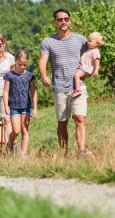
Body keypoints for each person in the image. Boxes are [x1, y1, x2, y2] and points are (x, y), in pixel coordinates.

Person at [39, 8, 91, 156]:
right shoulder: (48, 42)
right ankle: (64, 154)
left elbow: (92, 54)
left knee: (79, 118)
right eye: (60, 19)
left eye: (66, 19)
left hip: (78, 85)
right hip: (59, 87)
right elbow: (43, 61)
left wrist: (89, 72)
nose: (63, 22)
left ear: (70, 20)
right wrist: (44, 75)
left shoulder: (80, 39)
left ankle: (81, 151)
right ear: (55, 22)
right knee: (62, 123)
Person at [3, 49, 38, 157]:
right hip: (14, 106)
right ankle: (10, 142)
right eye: (20, 64)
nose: (22, 67)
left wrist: (35, 108)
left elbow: (33, 92)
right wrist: (6, 106)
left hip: (26, 107)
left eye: (25, 65)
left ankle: (23, 154)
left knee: (24, 131)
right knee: (16, 130)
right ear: (16, 61)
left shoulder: (29, 76)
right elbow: (5, 91)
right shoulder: (9, 75)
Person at [71, 32, 103, 98]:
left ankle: (77, 90)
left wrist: (96, 70)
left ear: (97, 43)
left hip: (86, 69)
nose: (88, 42)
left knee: (76, 75)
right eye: (88, 40)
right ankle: (83, 92)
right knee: (77, 76)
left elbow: (97, 61)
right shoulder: (90, 50)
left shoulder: (95, 51)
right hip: (83, 68)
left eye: (90, 41)